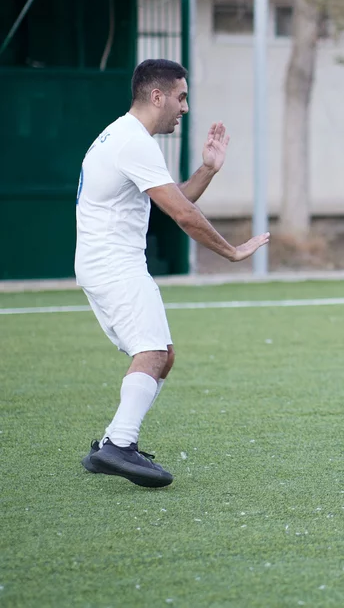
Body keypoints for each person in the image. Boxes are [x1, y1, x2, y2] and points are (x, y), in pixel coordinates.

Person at [77, 58, 270, 488]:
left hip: (108, 262)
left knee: (163, 353)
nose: (185, 107)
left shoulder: (124, 136)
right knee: (152, 353)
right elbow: (183, 215)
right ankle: (119, 446)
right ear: (157, 95)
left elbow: (172, 201)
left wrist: (208, 169)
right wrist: (232, 252)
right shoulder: (133, 141)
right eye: (181, 97)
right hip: (113, 263)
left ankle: (112, 442)